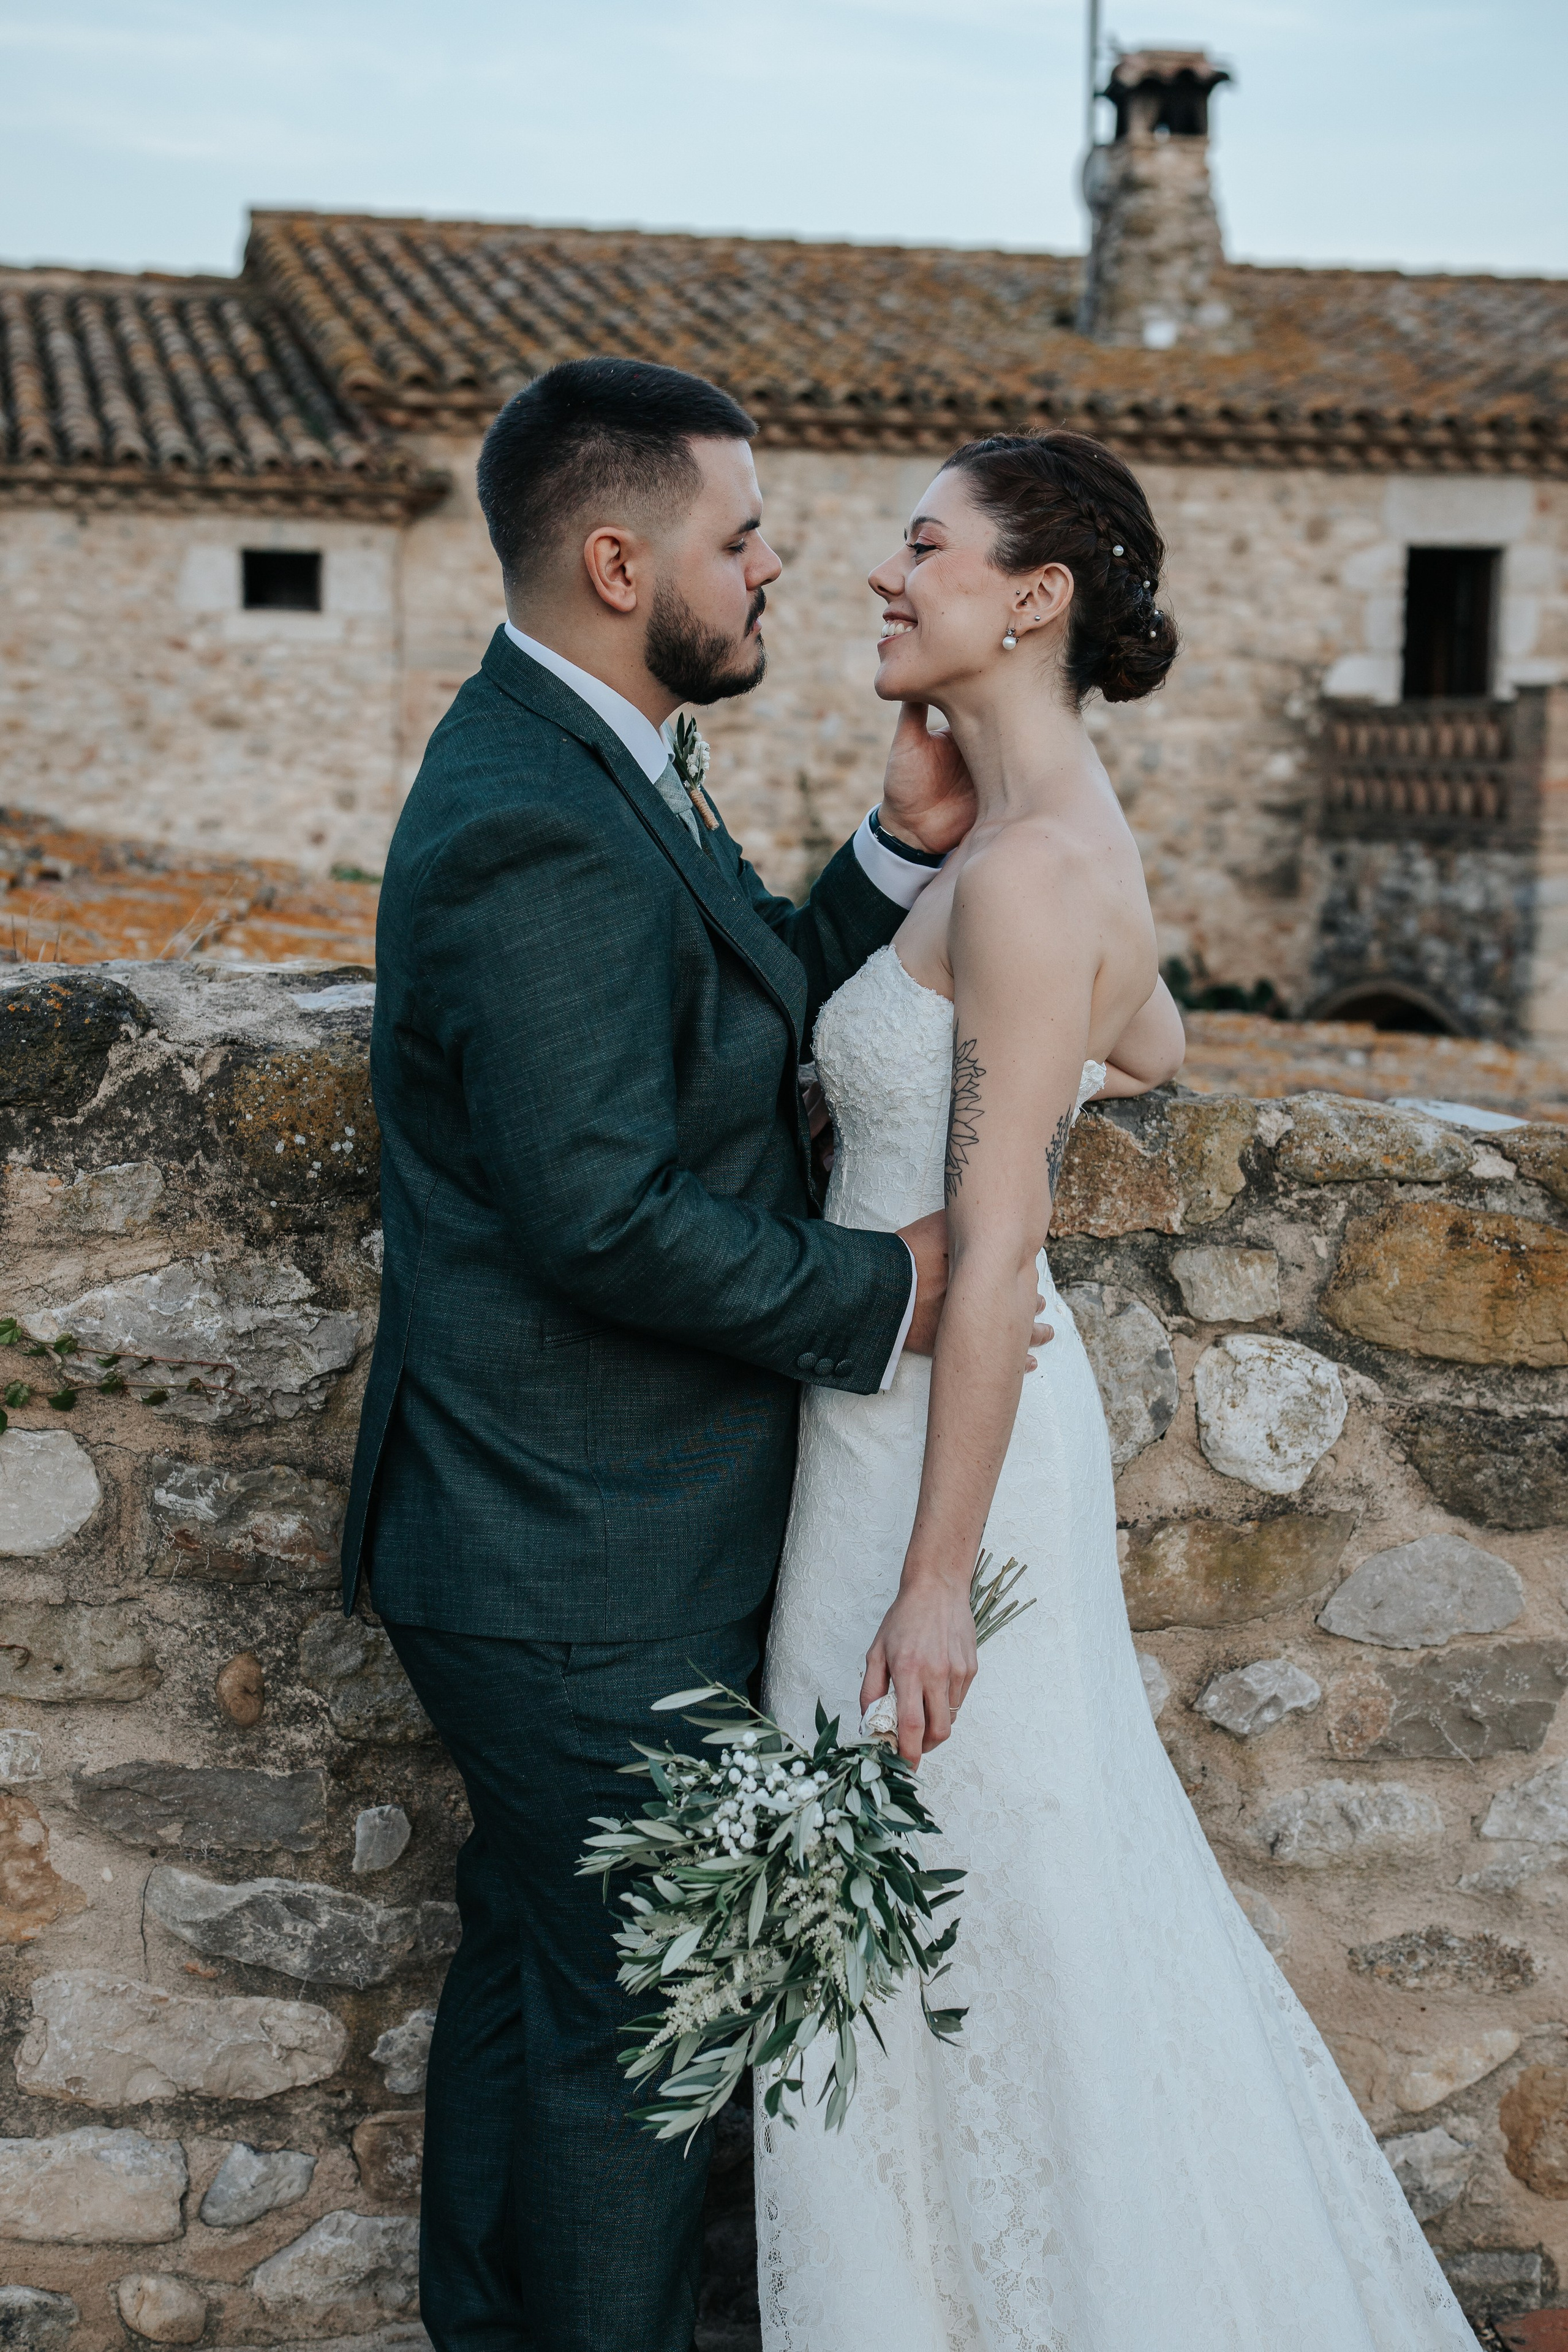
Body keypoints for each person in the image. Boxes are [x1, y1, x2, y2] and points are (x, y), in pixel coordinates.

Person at [338, 356, 1055, 2352]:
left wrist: (894, 862)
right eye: (744, 540)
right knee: (638, 2046)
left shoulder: (595, 757)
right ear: (616, 555)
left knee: (539, 1995)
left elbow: (731, 1033)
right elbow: (601, 1212)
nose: (778, 571)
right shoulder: (530, 818)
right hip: (569, 1553)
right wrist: (889, 1291)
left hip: (563, 1539)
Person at [755, 430, 1476, 2349]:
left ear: (1036, 596)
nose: (886, 580)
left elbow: (992, 1258)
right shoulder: (1064, 842)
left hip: (934, 1457)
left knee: (975, 1901)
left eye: (924, 550)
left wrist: (932, 1576)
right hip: (930, 1436)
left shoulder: (1026, 876)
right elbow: (1148, 1036)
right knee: (986, 1894)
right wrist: (943, 826)